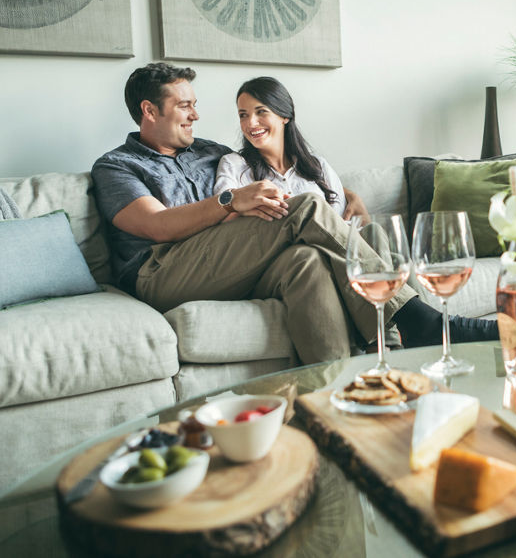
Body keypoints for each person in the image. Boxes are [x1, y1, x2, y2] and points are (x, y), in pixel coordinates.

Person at [91, 62, 495, 365]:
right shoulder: (118, 166)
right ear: (149, 110)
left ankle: (342, 386)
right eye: (184, 106)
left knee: (306, 261)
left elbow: (286, 166)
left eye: (195, 105)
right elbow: (157, 225)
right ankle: (417, 318)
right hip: (162, 273)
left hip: (227, 260)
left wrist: (348, 192)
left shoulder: (208, 151)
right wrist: (232, 201)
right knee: (304, 207)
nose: (195, 115)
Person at [213, 76, 347, 219]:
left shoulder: (319, 166)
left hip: (325, 239)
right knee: (308, 203)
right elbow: (222, 212)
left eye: (261, 111)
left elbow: (341, 222)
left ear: (285, 116)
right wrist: (240, 208)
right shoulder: (233, 164)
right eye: (243, 115)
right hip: (271, 239)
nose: (251, 123)